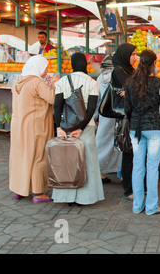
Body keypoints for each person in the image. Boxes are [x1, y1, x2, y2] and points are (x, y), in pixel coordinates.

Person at [52, 53, 104, 205]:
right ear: (85, 64)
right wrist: (81, 128)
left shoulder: (62, 81)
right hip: (86, 127)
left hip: (67, 126)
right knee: (88, 161)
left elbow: (57, 106)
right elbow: (91, 109)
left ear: (73, 64)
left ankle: (67, 197)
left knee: (68, 162)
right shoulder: (92, 82)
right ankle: (86, 198)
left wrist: (58, 127)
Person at [9, 55, 59, 203]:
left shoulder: (18, 81)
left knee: (21, 157)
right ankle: (38, 193)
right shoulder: (36, 82)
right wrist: (54, 84)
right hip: (35, 126)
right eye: (45, 67)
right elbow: (52, 98)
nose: (47, 70)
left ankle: (20, 189)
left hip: (19, 126)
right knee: (38, 157)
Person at [125, 50, 160, 215]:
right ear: (153, 65)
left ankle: (137, 206)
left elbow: (127, 109)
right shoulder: (159, 83)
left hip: (136, 128)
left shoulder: (130, 83)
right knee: (152, 168)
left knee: (138, 166)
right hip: (155, 128)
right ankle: (151, 207)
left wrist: (136, 118)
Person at [111, 43, 137, 201]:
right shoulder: (119, 70)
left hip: (133, 114)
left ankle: (132, 185)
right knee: (129, 152)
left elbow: (131, 90)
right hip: (124, 117)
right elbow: (132, 87)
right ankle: (128, 189)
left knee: (134, 152)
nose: (135, 57)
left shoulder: (130, 70)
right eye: (133, 54)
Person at [94, 54, 122, 183]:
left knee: (102, 143)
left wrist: (95, 116)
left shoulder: (100, 78)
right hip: (119, 114)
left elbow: (98, 99)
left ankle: (98, 172)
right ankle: (121, 173)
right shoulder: (119, 77)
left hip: (105, 116)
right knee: (119, 145)